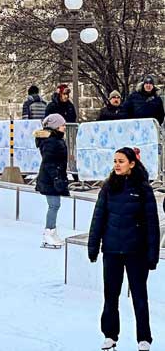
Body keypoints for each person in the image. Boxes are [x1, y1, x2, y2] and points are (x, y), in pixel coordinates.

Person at [88, 147, 158, 350]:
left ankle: (144, 338)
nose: (117, 165)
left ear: (132, 164)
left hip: (136, 252)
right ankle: (110, 335)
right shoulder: (108, 187)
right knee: (110, 295)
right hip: (111, 251)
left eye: (121, 161)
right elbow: (98, 218)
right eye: (115, 161)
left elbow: (152, 224)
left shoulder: (143, 189)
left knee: (139, 296)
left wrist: (152, 254)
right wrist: (94, 246)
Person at [34, 113, 70, 249]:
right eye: (62, 125)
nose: (64, 127)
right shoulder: (51, 142)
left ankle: (52, 231)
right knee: (54, 205)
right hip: (50, 179)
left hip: (54, 178)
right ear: (55, 126)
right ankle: (48, 232)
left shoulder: (56, 140)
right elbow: (49, 162)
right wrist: (56, 177)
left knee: (55, 205)